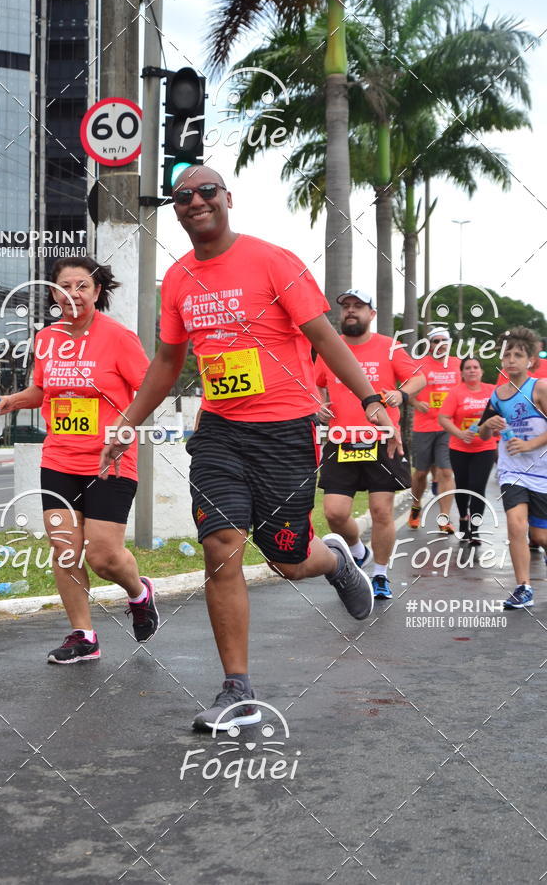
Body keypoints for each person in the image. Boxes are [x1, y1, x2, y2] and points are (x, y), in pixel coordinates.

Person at [99, 165, 401, 732]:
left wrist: (372, 398)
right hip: (219, 433)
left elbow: (325, 339)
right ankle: (236, 689)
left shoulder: (273, 261)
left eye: (206, 191)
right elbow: (166, 364)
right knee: (221, 544)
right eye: (183, 196)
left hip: (285, 433)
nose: (195, 201)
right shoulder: (181, 278)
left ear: (227, 198)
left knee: (289, 561)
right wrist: (127, 422)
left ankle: (334, 560)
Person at [0, 258, 159, 662]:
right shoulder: (47, 339)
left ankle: (139, 593)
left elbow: (148, 391)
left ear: (96, 292)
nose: (73, 294)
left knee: (103, 556)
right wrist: (12, 401)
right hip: (59, 459)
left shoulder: (119, 338)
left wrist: (123, 429)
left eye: (82, 286)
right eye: (64, 287)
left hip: (110, 461)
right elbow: (43, 391)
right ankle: (83, 636)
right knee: (65, 550)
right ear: (52, 294)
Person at [315, 289, 425, 599]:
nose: (351, 311)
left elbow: (419, 377)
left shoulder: (389, 348)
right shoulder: (329, 349)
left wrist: (401, 394)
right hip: (341, 439)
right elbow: (314, 383)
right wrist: (317, 405)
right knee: (335, 513)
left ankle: (380, 573)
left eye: (358, 307)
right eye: (346, 306)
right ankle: (357, 550)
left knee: (380, 511)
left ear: (372, 314)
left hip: (380, 440)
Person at [478, 327, 547, 608]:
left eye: (518, 355)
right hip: (511, 472)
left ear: (530, 360)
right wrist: (488, 426)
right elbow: (482, 434)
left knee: (540, 535)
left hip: (542, 471)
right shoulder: (497, 395)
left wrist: (531, 445)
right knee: (516, 527)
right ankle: (523, 588)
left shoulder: (540, 387)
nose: (511, 360)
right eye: (507, 354)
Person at [438, 357, 497, 546]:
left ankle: (475, 528)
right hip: (459, 448)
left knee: (477, 486)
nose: (472, 370)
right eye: (468, 368)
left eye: (475, 367)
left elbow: (500, 413)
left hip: (485, 447)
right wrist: (460, 434)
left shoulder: (491, 391)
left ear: (481, 371)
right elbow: (443, 418)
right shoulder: (456, 393)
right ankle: (463, 517)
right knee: (463, 486)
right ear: (462, 373)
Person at [408, 328, 460, 534]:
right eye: (435, 341)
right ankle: (415, 507)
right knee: (420, 473)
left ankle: (444, 518)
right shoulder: (419, 365)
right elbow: (405, 390)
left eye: (443, 340)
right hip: (423, 427)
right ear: (429, 345)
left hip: (448, 427)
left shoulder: (457, 364)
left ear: (449, 343)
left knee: (446, 472)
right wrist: (415, 402)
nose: (439, 344)